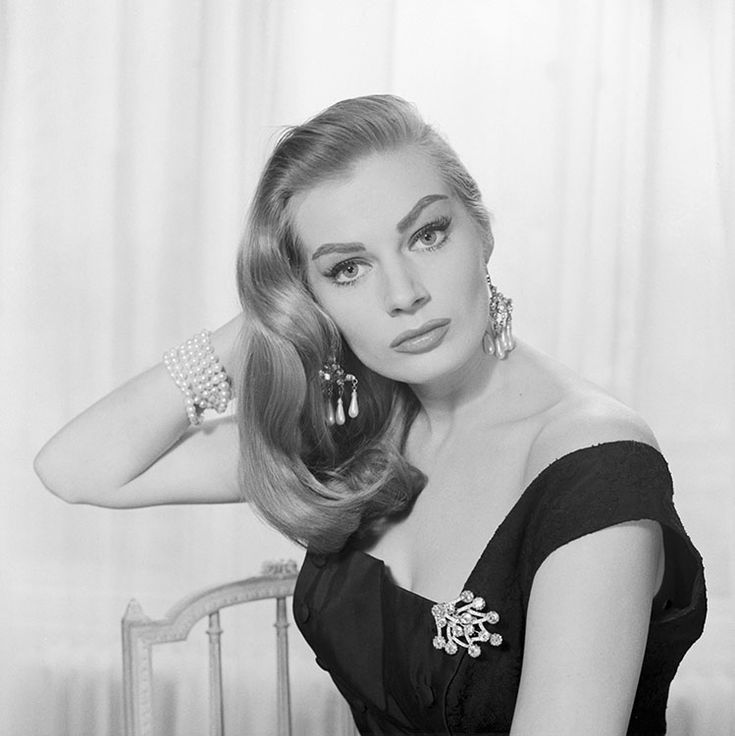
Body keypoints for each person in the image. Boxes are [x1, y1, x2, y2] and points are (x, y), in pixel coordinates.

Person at [34, 95, 706, 735]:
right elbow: (78, 470)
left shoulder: (591, 463)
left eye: (426, 234)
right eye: (347, 268)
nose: (403, 293)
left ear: (482, 234)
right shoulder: (358, 432)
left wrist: (320, 282)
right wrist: (264, 321)